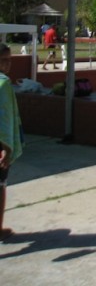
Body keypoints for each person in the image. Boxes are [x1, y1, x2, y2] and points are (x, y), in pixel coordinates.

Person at [1, 43, 24, 240]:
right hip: (1, 145)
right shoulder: (3, 85)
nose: (8, 64)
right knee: (1, 185)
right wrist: (6, 148)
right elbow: (4, 120)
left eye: (9, 60)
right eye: (3, 60)